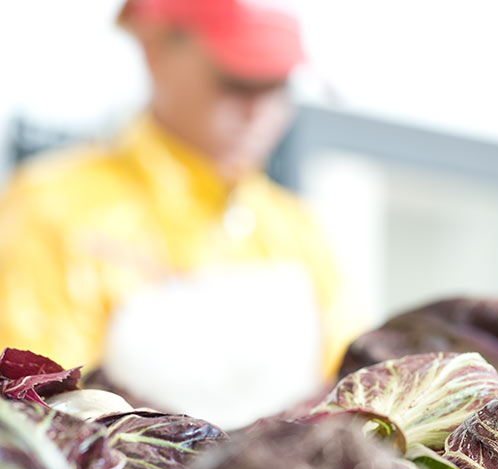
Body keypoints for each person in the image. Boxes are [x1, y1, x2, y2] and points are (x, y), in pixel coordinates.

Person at [0, 0, 359, 427]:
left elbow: (350, 393)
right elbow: (41, 417)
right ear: (155, 52)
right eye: (237, 82)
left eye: (277, 86)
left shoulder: (299, 229)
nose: (259, 111)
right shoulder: (51, 209)